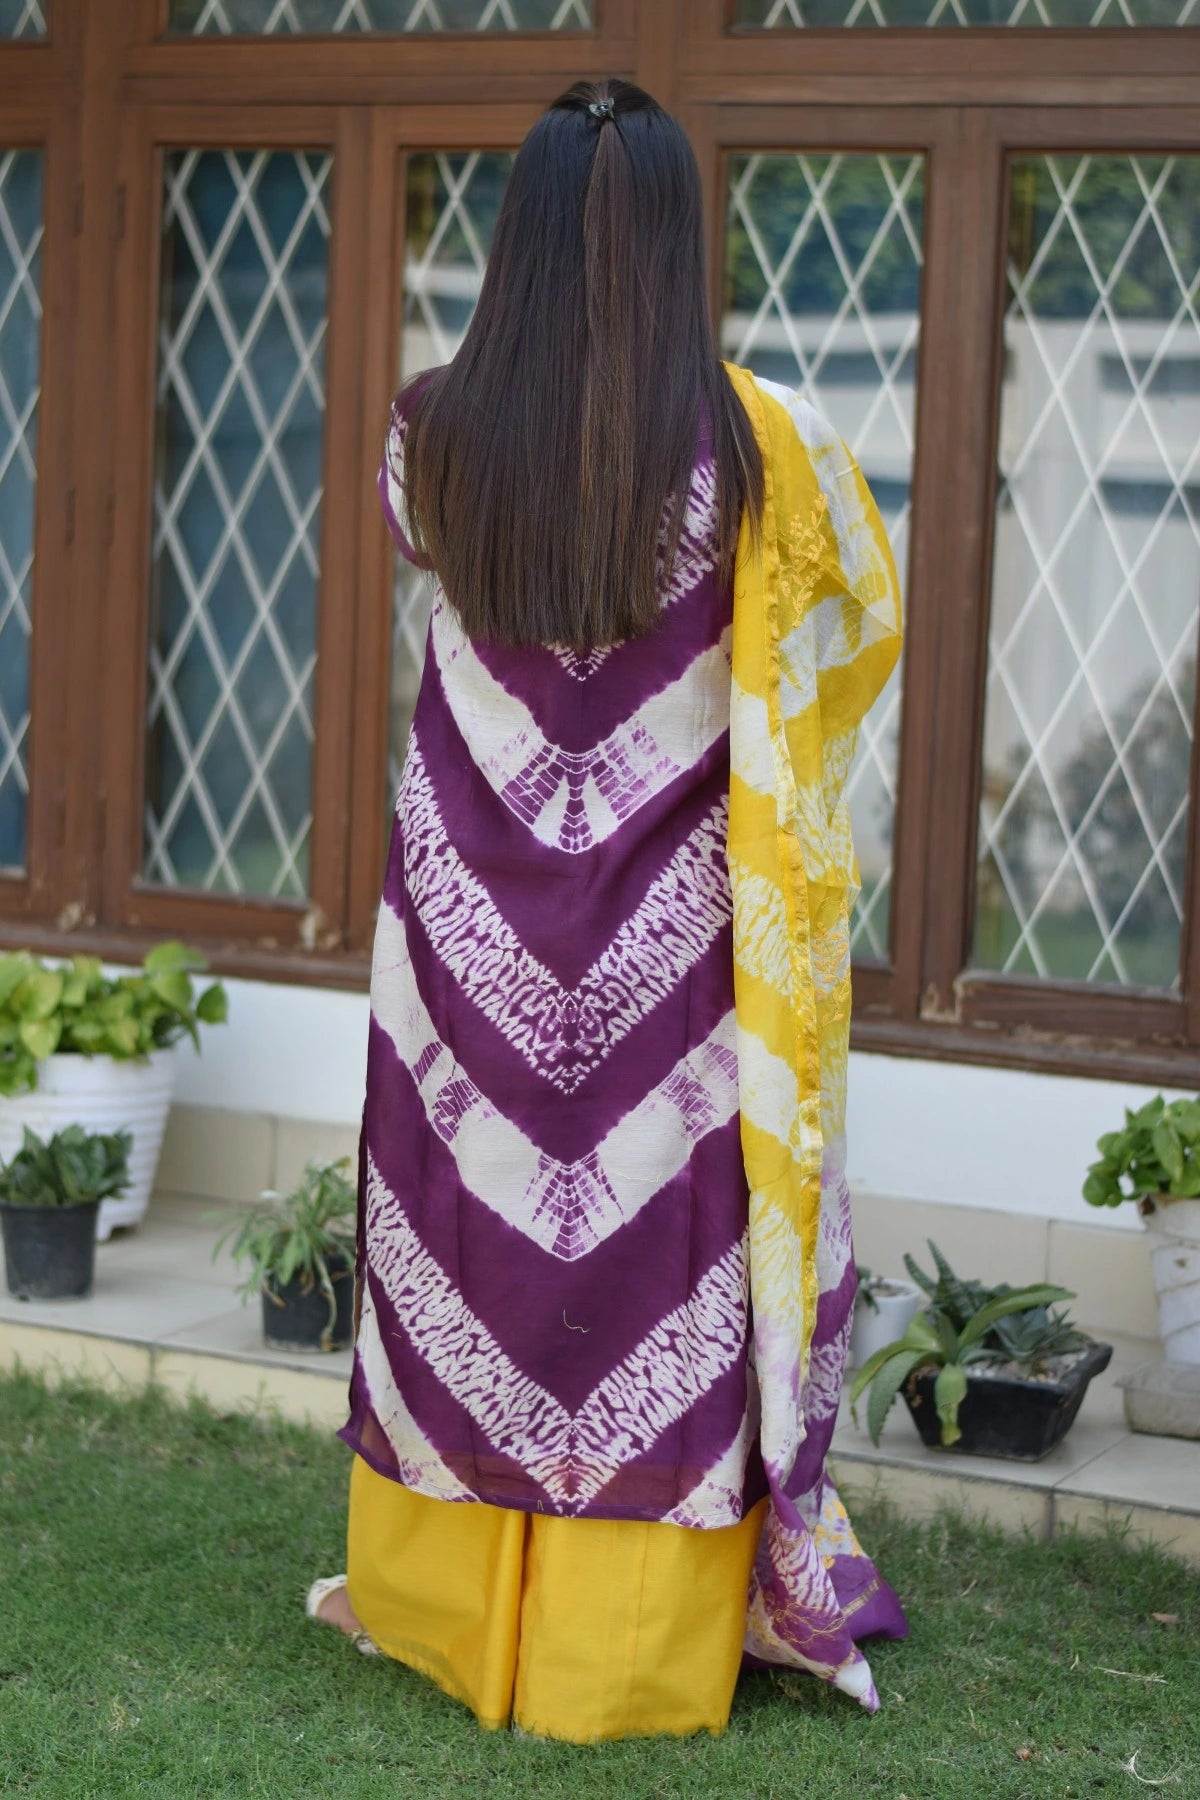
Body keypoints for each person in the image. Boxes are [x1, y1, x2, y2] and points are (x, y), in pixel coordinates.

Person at [308, 76, 907, 1743]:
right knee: (665, 1262)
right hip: (676, 932)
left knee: (469, 1241)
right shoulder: (753, 449)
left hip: (469, 923)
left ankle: (446, 1611)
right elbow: (856, 633)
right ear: (675, 239)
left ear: (509, 246)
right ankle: (630, 1648)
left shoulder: (427, 436)